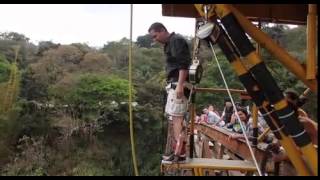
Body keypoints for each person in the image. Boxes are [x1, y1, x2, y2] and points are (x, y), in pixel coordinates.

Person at [148, 22, 191, 163]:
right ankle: (177, 151)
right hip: (174, 83)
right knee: (174, 117)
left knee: (177, 118)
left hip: (179, 83)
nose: (155, 39)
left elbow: (183, 64)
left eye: (155, 36)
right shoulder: (169, 43)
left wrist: (179, 85)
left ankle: (180, 153)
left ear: (162, 31)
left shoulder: (176, 40)